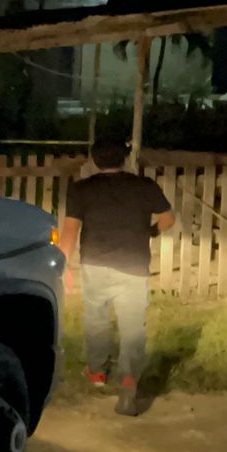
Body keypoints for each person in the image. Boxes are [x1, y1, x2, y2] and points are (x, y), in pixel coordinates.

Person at [60, 140, 176, 416]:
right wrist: (151, 232)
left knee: (96, 319)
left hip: (95, 264)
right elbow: (168, 219)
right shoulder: (144, 186)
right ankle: (128, 381)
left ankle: (97, 372)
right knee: (133, 326)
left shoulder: (81, 189)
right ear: (124, 158)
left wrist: (63, 266)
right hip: (133, 266)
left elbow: (70, 230)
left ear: (94, 160)